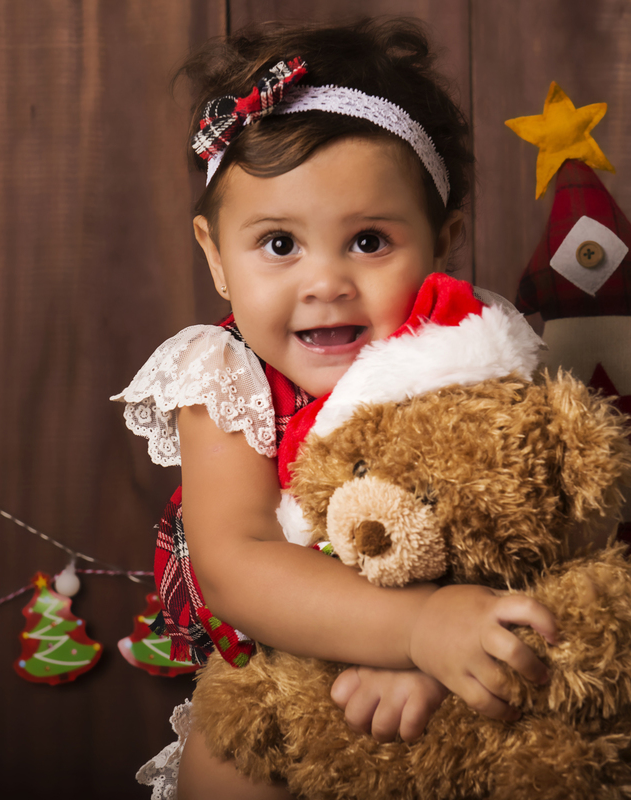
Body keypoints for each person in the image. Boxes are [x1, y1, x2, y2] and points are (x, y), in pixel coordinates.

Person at [117, 18, 560, 800]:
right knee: (232, 765)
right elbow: (237, 564)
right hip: (283, 688)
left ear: (441, 242)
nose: (325, 282)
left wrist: (450, 652)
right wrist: (417, 633)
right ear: (217, 257)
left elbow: (541, 527)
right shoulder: (227, 377)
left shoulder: (474, 357)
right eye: (280, 245)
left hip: (462, 674)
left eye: (367, 242)